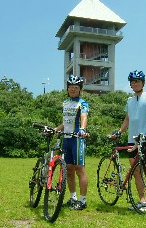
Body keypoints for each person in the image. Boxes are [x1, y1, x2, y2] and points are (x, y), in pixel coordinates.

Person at [112, 70, 146, 211]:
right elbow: (127, 119)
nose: (135, 83)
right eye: (132, 81)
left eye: (137, 81)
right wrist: (119, 131)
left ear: (143, 82)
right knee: (136, 171)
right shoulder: (129, 100)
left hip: (145, 139)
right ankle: (142, 201)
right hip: (132, 140)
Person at [55, 74, 89, 210]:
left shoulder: (83, 103)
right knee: (68, 170)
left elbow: (84, 117)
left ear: (80, 89)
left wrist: (82, 128)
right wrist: (55, 129)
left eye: (75, 87)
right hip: (66, 139)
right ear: (67, 89)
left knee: (79, 169)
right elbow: (65, 122)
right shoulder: (65, 103)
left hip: (77, 139)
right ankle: (73, 198)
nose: (73, 89)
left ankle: (83, 200)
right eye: (70, 87)